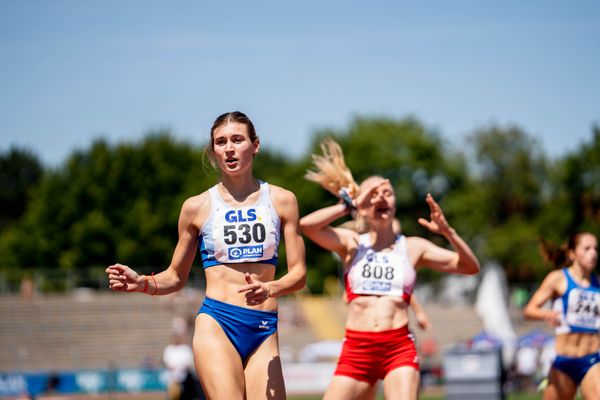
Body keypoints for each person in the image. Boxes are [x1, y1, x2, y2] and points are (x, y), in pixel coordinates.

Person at [106, 111, 307, 400]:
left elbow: (299, 275)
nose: (229, 148)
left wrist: (270, 288)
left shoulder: (283, 200)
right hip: (218, 322)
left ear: (255, 144)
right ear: (213, 150)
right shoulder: (196, 207)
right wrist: (142, 283)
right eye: (221, 142)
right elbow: (175, 277)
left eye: (237, 139)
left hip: (264, 328)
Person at [299, 138, 480, 400]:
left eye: (387, 193)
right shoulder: (351, 244)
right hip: (357, 349)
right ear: (363, 205)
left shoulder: (413, 247)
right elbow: (307, 226)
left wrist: (448, 232)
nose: (381, 197)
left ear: (394, 204)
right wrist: (347, 206)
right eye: (373, 194)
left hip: (397, 347)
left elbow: (469, 267)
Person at [523, 232, 600, 400]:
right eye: (587, 248)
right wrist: (546, 314)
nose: (593, 253)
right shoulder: (558, 279)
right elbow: (529, 310)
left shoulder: (598, 284)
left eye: (596, 248)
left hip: (593, 360)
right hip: (564, 362)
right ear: (572, 253)